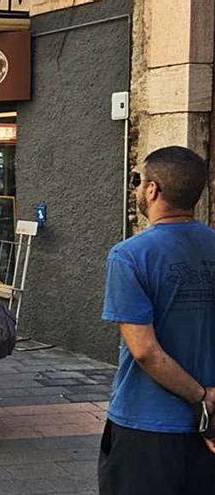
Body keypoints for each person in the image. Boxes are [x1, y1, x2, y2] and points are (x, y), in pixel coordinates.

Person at [98, 146, 215, 495]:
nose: (137, 189)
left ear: (153, 190)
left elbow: (145, 350)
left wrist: (201, 398)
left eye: (138, 181)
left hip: (146, 424)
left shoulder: (129, 256)